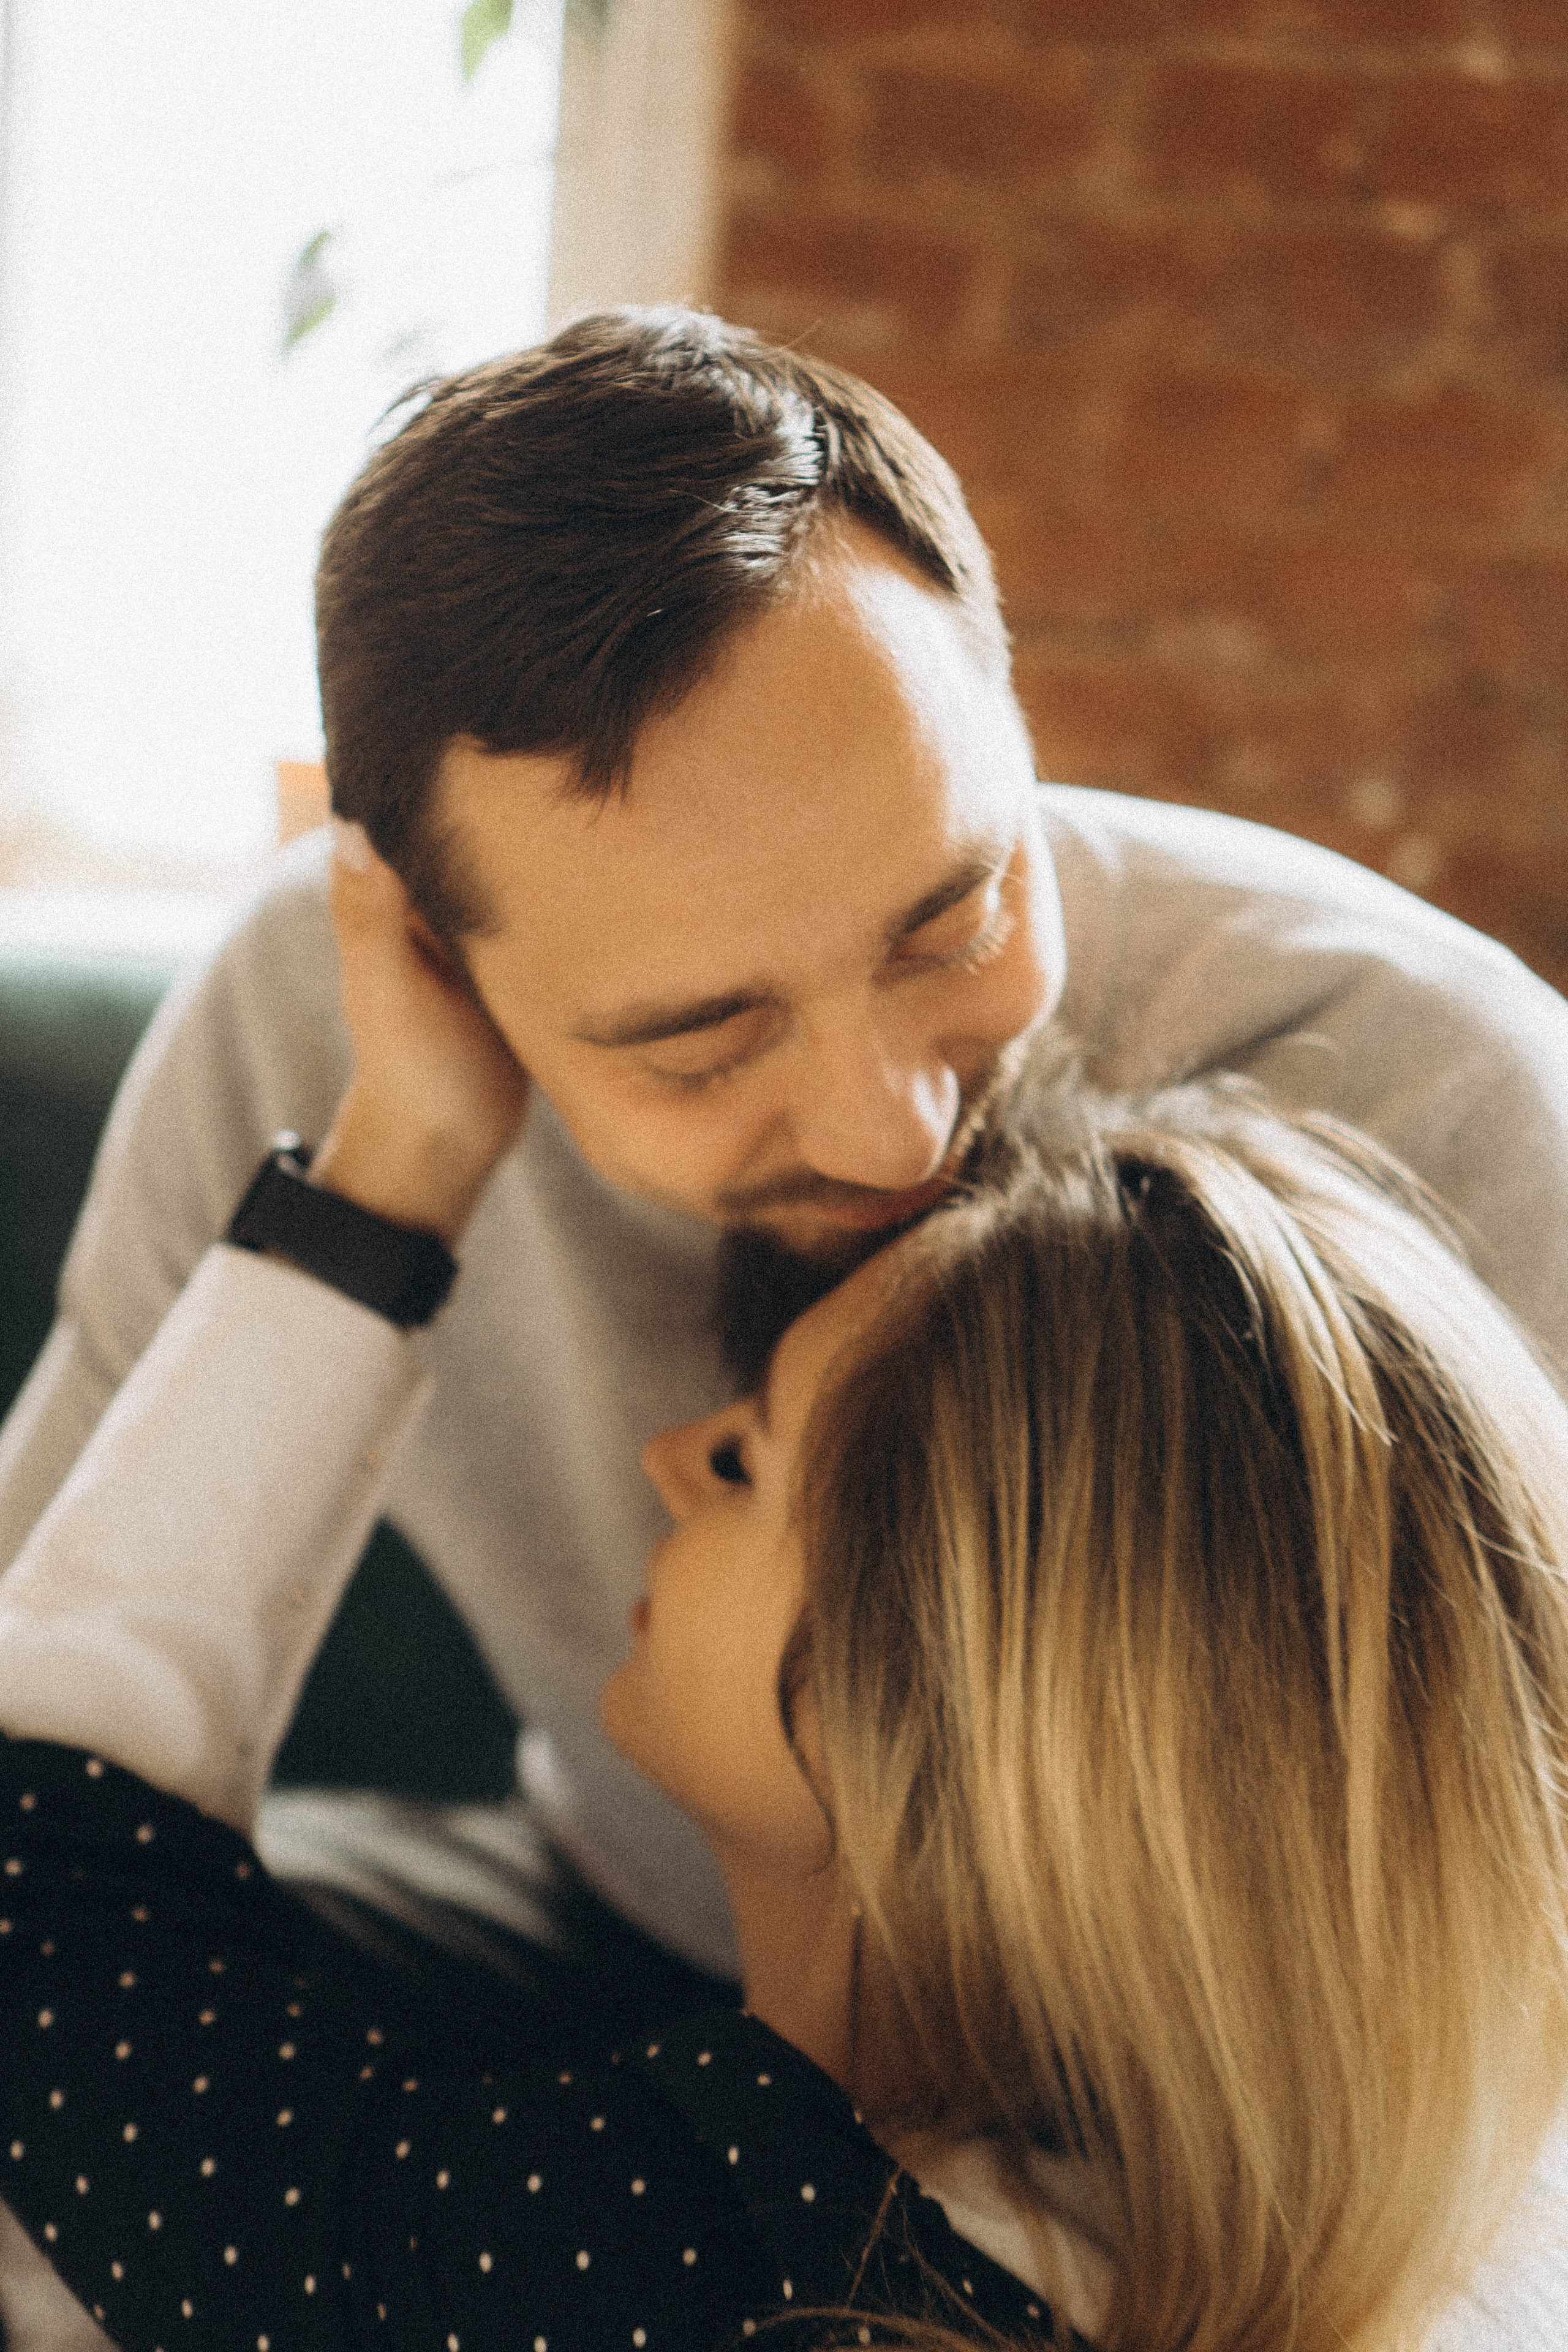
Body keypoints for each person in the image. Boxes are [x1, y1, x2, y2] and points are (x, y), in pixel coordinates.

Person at [2, 303, 1568, 2340]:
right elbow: (51, 1758)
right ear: (426, 948)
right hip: (635, 1918)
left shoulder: (1436, 1097)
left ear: (1007, 710)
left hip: (1256, 2108)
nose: (893, 1121)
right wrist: (398, 1166)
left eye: (954, 916)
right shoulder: (308, 1043)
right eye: (702, 1035)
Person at [0, 1055, 1566, 2352]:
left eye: (749, 1461)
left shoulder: (713, 2269)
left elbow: (42, 1885)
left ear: (924, 1713)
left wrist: (391, 1175)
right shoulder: (1380, 2246)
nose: (664, 1459)